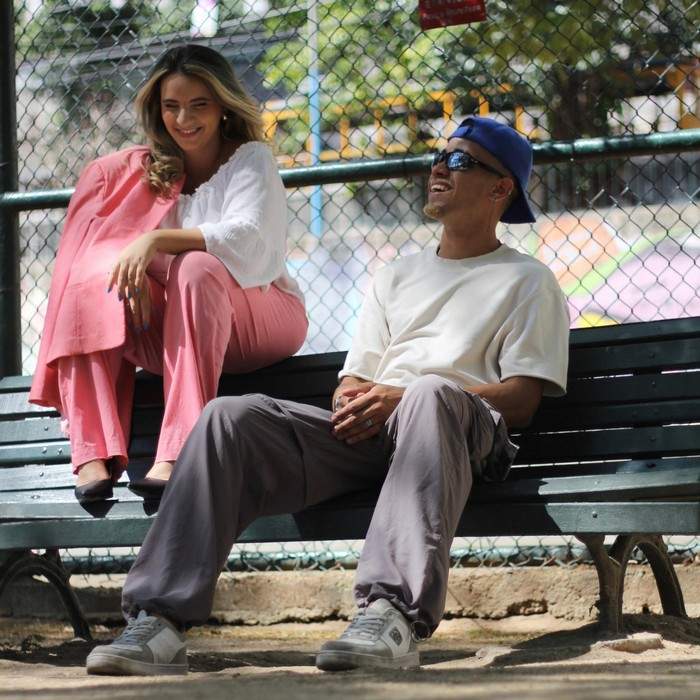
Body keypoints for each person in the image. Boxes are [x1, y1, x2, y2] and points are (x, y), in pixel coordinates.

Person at [84, 116, 570, 676]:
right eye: (439, 156)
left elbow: (522, 398)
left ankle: (390, 616)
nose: (439, 167)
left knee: (430, 393)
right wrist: (352, 399)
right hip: (378, 433)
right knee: (228, 418)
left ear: (500, 188)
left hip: (458, 435)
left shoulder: (528, 280)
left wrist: (403, 398)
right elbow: (356, 376)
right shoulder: (395, 275)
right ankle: (158, 622)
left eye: (460, 161)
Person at [28, 45, 308, 504]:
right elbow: (114, 254)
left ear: (222, 106)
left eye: (199, 105)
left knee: (196, 267)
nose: (184, 119)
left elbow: (250, 241)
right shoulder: (148, 174)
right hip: (182, 325)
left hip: (260, 316)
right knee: (95, 275)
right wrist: (133, 268)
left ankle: (180, 449)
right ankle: (92, 448)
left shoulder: (250, 158)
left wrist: (156, 241)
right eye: (171, 106)